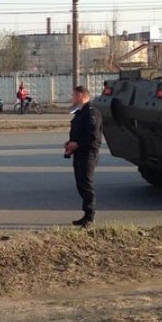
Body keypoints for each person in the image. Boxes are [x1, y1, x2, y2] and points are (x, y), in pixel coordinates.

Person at [64, 86, 103, 228]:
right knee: (81, 184)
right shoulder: (81, 112)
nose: (72, 97)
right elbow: (79, 132)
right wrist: (70, 144)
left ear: (81, 95)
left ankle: (89, 216)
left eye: (73, 95)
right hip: (79, 153)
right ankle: (86, 215)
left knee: (86, 185)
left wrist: (77, 144)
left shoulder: (92, 113)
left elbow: (93, 136)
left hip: (88, 154)